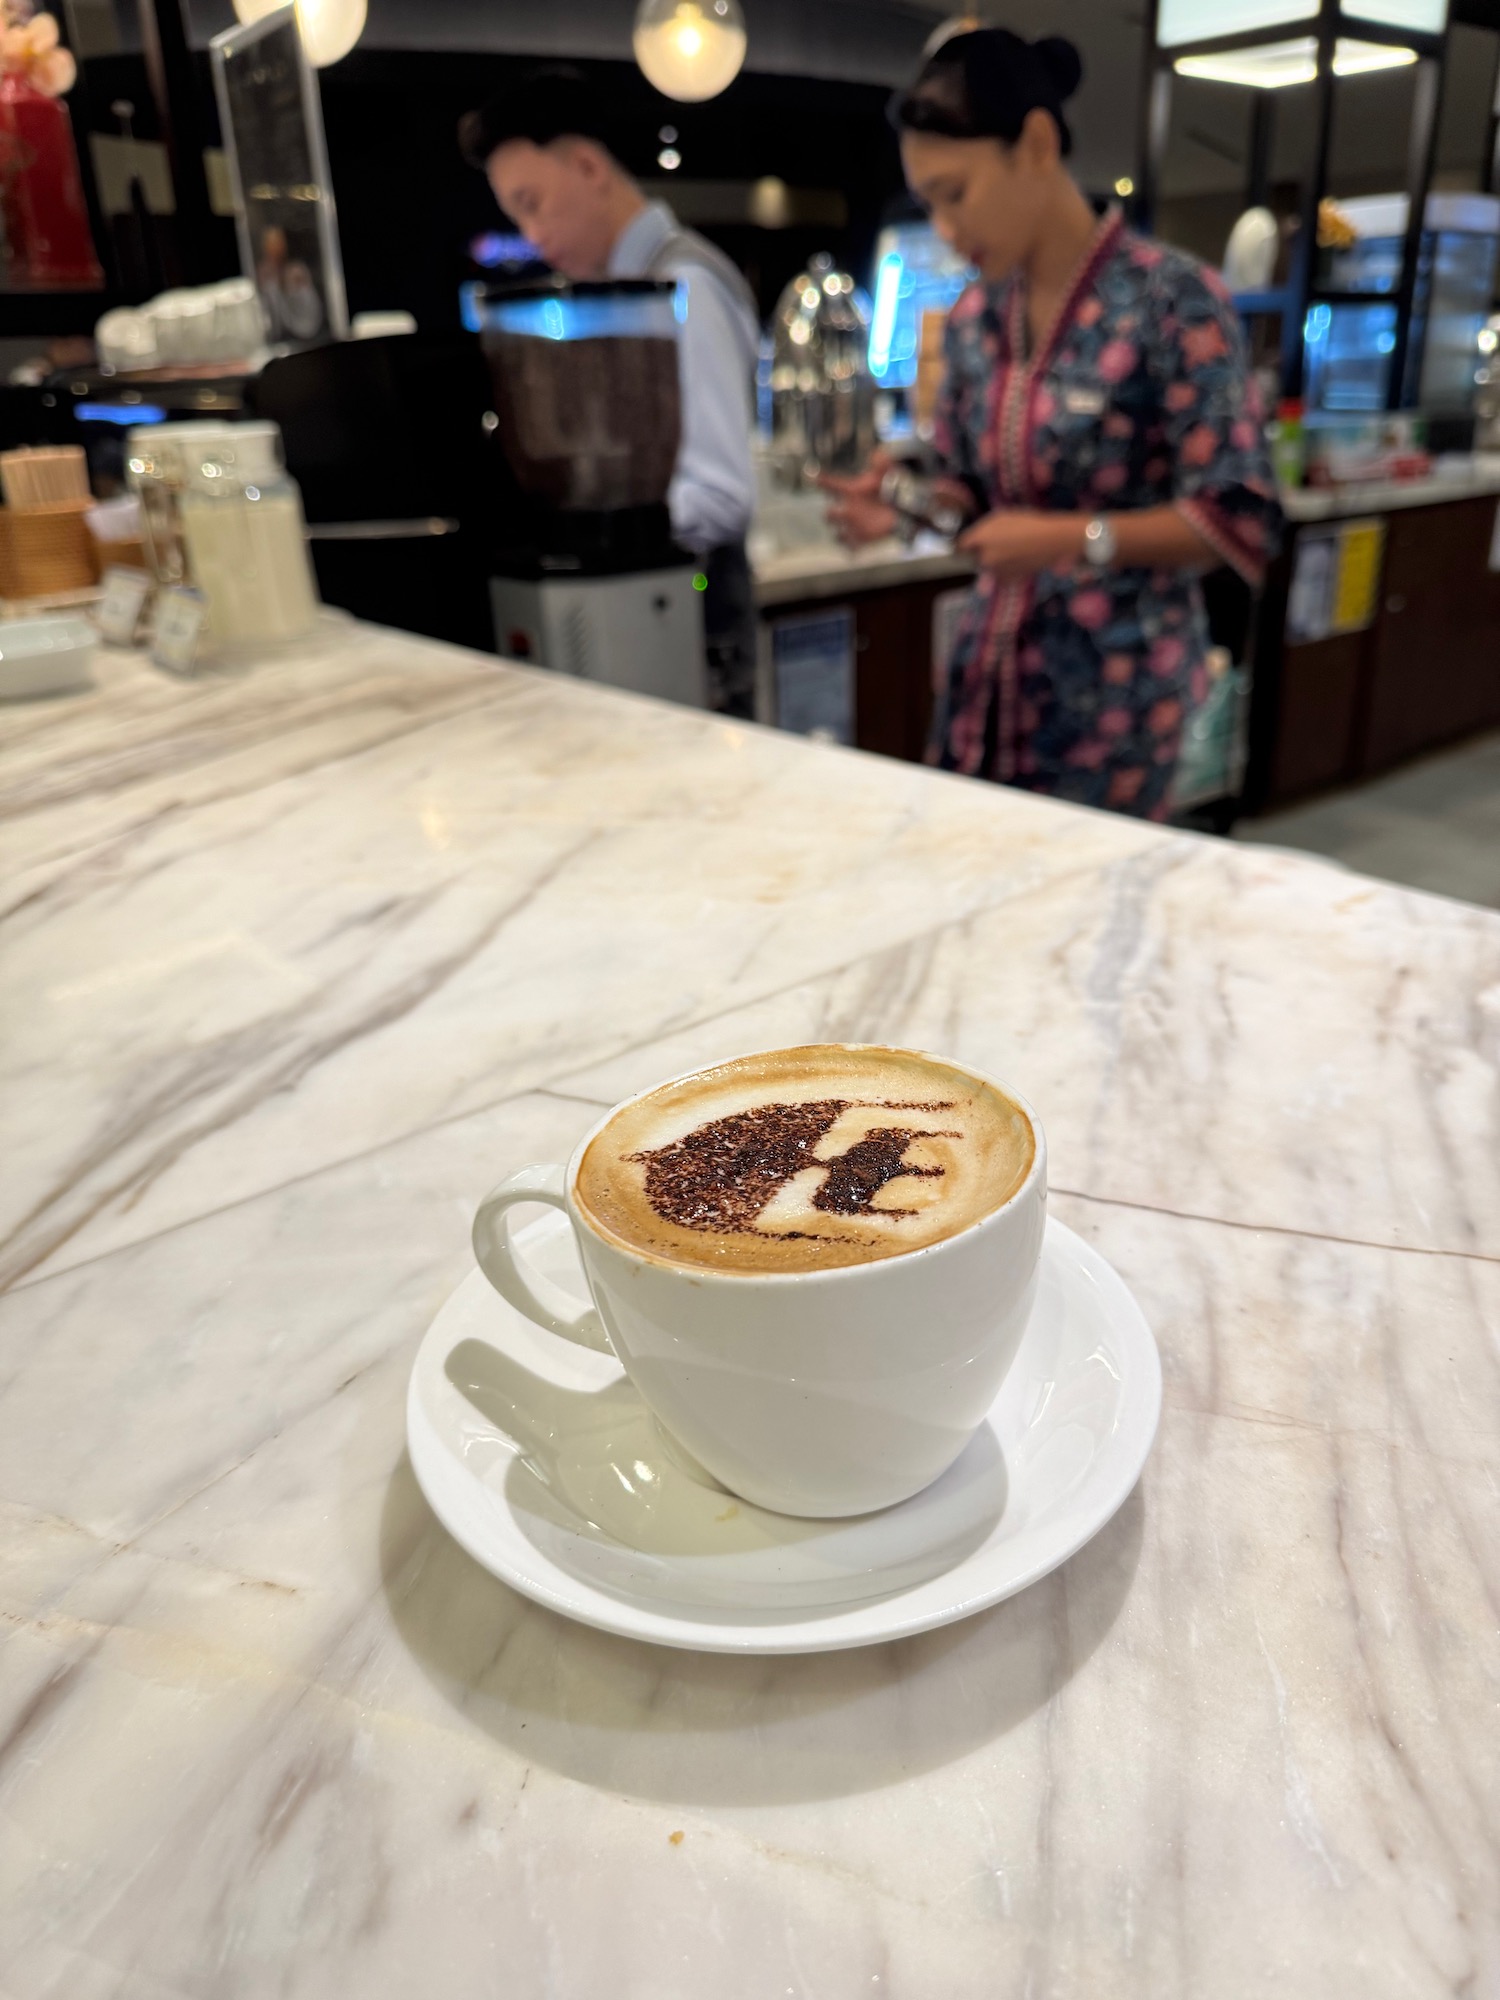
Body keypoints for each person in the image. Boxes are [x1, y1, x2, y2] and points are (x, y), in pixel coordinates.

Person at [823, 29, 1281, 819]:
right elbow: (968, 486)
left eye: (955, 194)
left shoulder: (1173, 300)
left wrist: (1071, 540)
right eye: (927, 202)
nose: (944, 227)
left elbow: (1238, 517)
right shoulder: (973, 318)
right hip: (989, 683)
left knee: (1087, 924)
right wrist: (900, 494)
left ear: (1034, 144)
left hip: (1119, 707)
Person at [461, 69, 761, 716]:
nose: (532, 234)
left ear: (589, 166)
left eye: (532, 202)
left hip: (690, 647)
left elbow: (720, 495)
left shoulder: (684, 288)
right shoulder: (628, 297)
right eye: (516, 214)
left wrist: (592, 528)